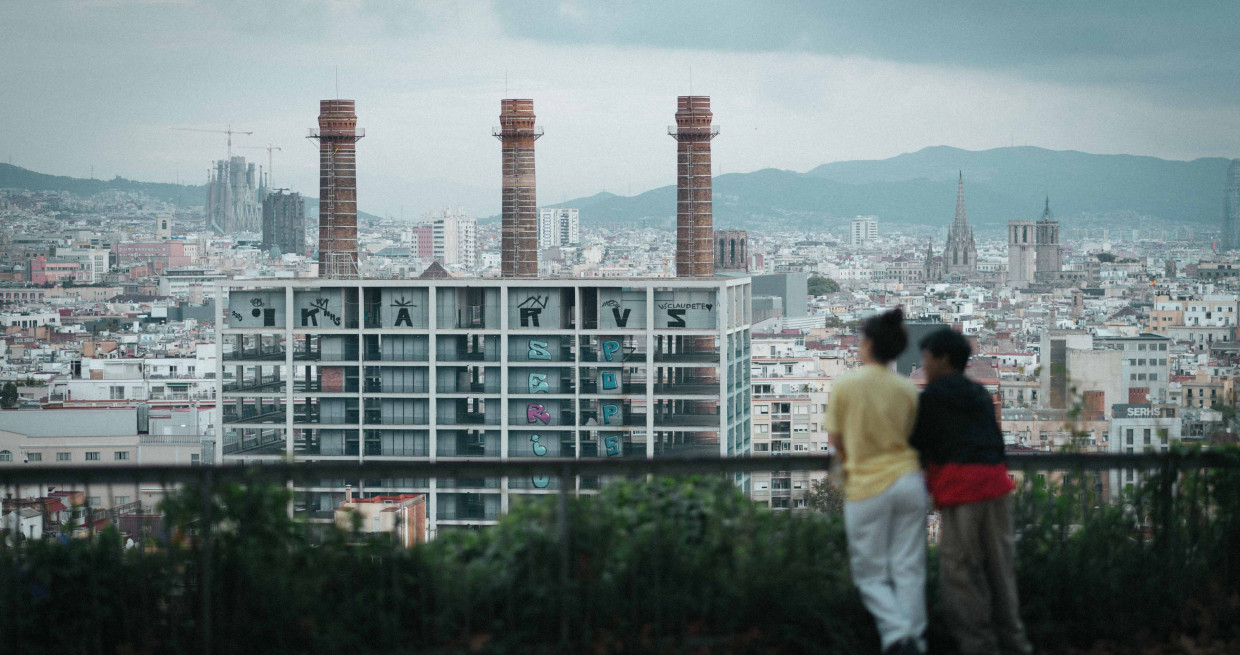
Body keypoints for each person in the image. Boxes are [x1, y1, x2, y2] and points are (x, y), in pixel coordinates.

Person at [909, 328, 1033, 655]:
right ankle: (1014, 642)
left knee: (960, 575)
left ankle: (979, 645)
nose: (925, 364)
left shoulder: (931, 398)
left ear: (943, 360)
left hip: (961, 489)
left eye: (928, 358)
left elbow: (919, 451)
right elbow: (996, 444)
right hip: (996, 485)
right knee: (1000, 569)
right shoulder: (980, 395)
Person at [825, 308, 927, 655]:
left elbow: (836, 442)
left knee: (870, 573)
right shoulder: (907, 390)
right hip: (909, 480)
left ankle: (898, 635)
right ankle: (914, 637)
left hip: (867, 485)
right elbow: (915, 436)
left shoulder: (845, 386)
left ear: (868, 345)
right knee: (909, 567)